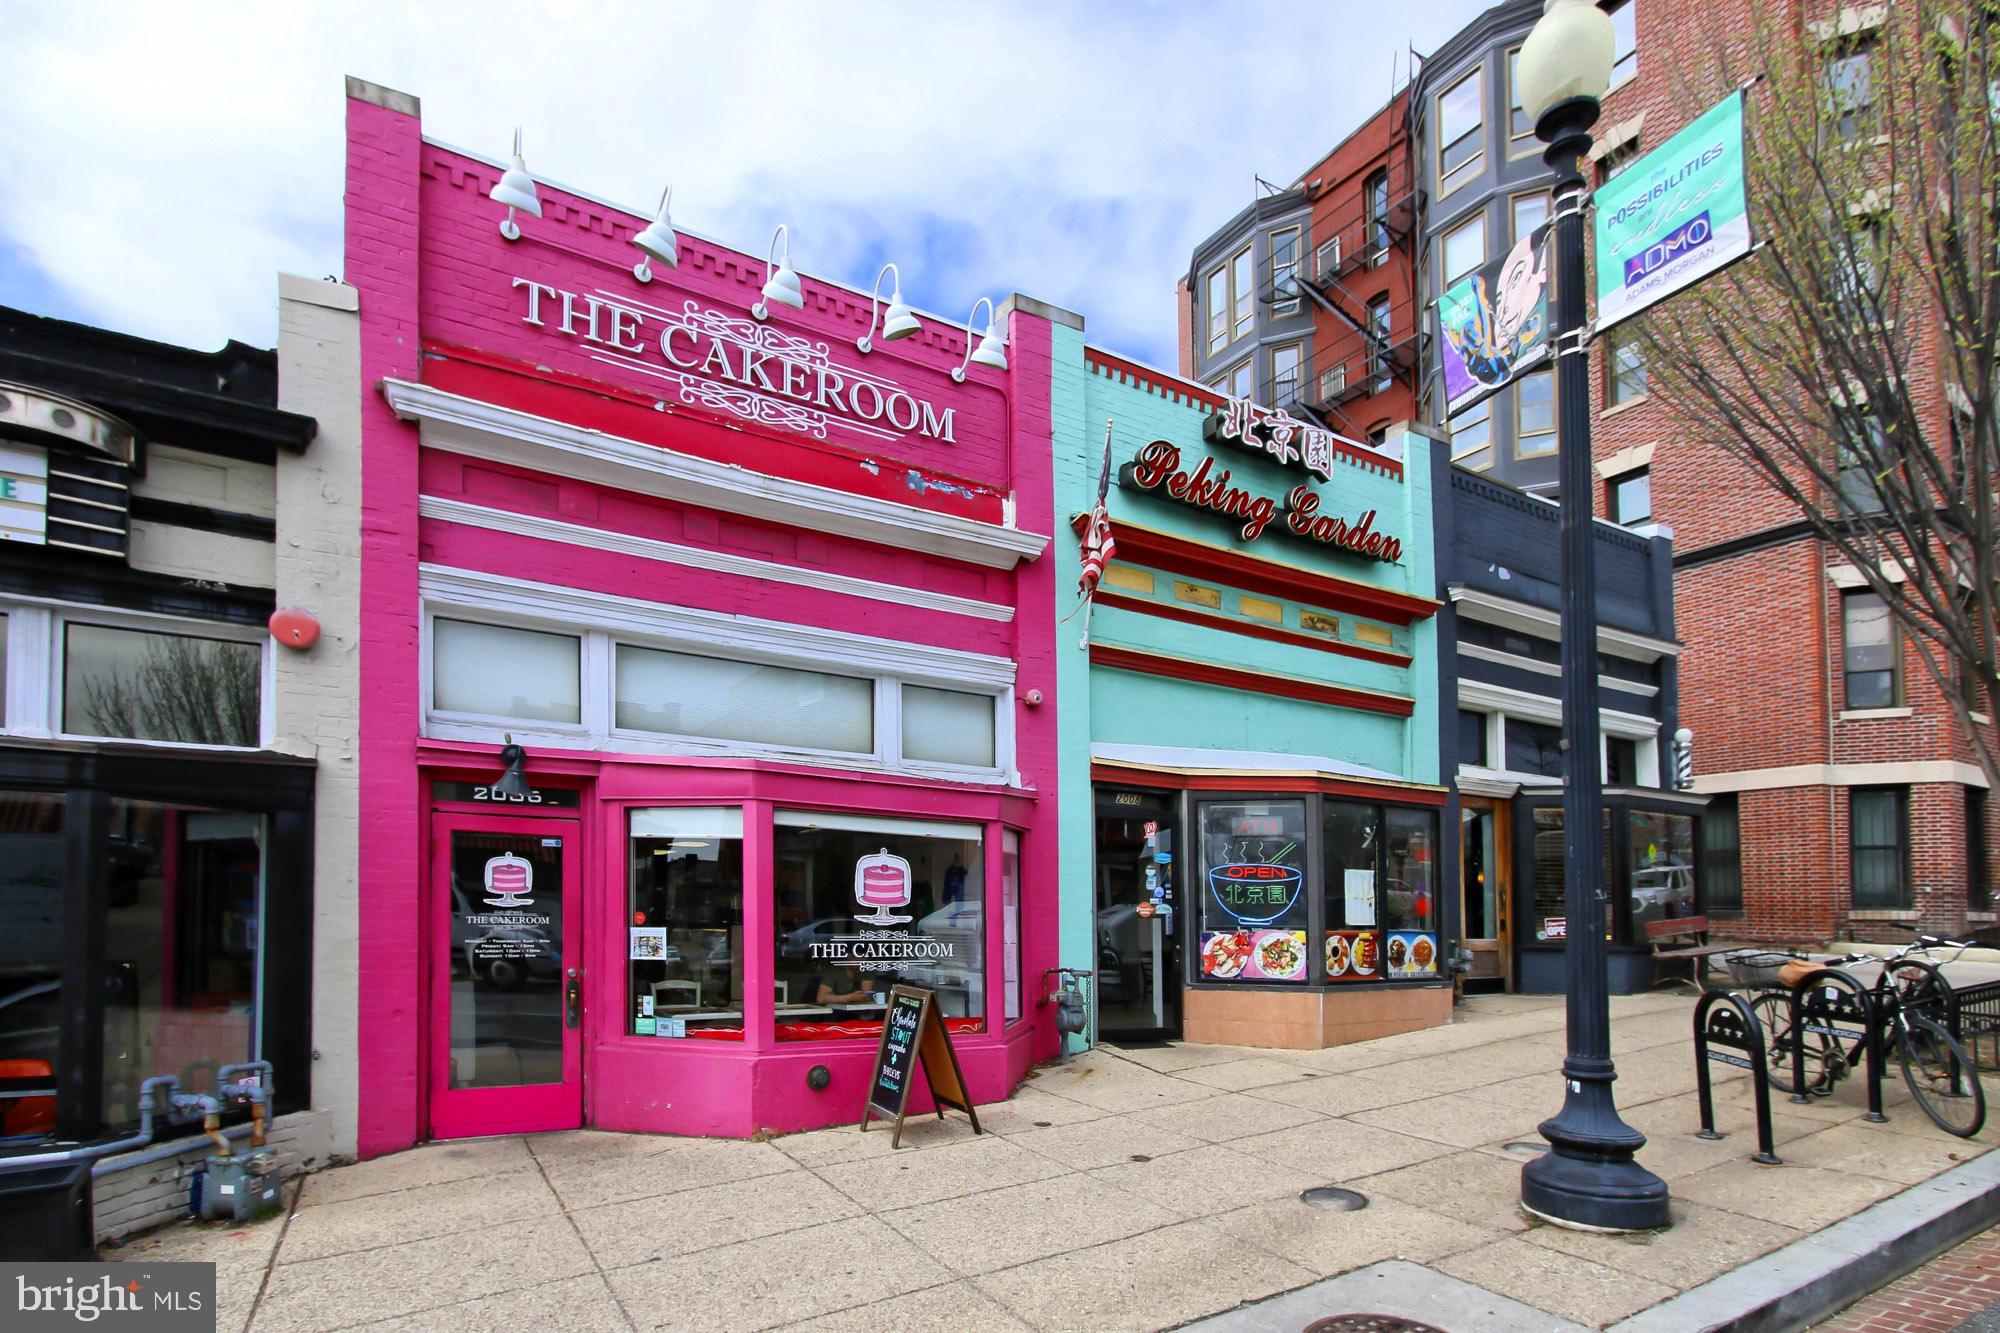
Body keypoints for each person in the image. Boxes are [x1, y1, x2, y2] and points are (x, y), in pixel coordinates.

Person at [800, 964, 890, 1006]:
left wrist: (864, 995)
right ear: (848, 956)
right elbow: (821, 998)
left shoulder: (866, 969)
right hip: (830, 1014)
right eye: (855, 957)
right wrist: (850, 997)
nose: (860, 960)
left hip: (856, 1015)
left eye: (863, 957)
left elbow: (865, 996)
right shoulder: (835, 971)